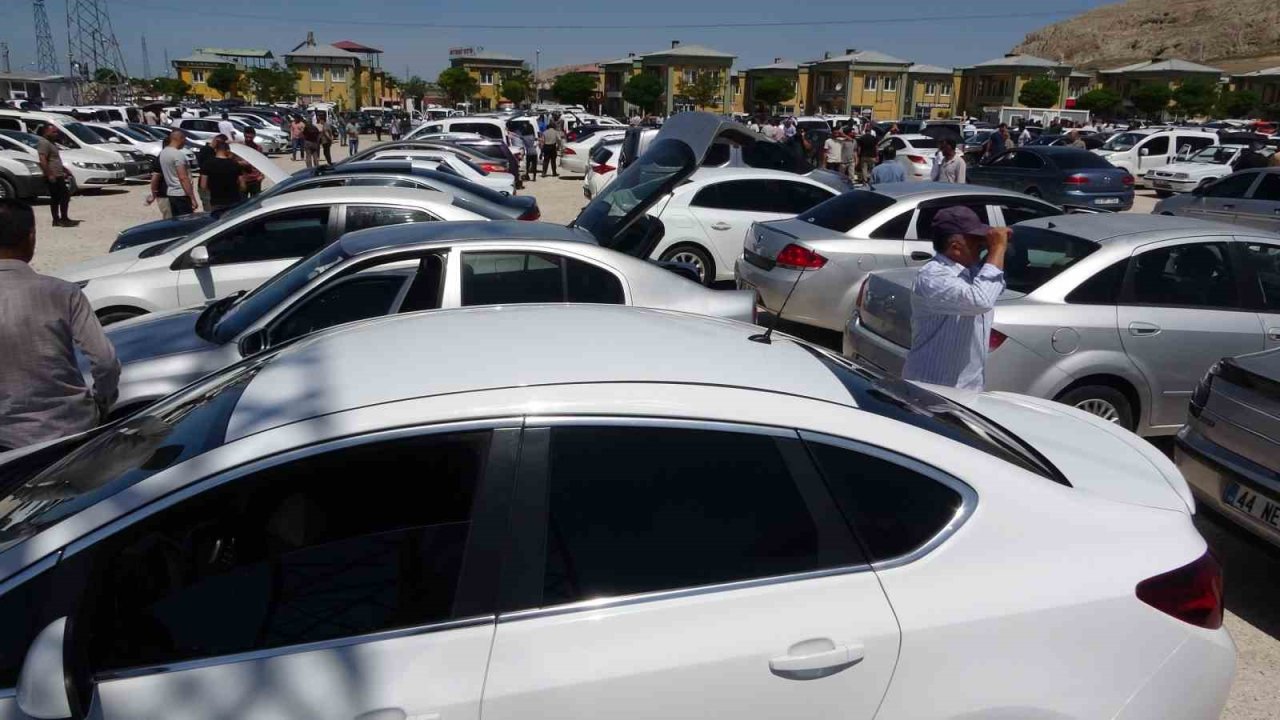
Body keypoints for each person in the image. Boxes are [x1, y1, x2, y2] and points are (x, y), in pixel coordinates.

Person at [0, 199, 120, 452]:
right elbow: (105, 361)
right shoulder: (63, 292)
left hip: (8, 441)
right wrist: (102, 403)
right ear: (31, 237)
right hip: (72, 429)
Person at [902, 206, 1012, 391]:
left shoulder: (972, 272)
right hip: (931, 388)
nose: (981, 245)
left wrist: (998, 246)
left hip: (968, 388)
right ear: (955, 247)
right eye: (976, 242)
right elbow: (980, 301)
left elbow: (995, 286)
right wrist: (997, 248)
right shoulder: (933, 276)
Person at [36, 125, 75, 226]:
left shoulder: (52, 143)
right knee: (59, 197)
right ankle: (58, 219)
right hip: (52, 175)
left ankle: (63, 218)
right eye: (53, 132)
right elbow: (42, 160)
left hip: (58, 174)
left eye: (56, 132)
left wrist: (64, 170)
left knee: (62, 197)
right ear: (46, 132)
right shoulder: (43, 143)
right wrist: (49, 174)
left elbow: (55, 159)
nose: (56, 134)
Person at [198, 135, 245, 214]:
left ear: (216, 150)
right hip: (233, 199)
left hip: (216, 200)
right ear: (227, 150)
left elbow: (203, 185)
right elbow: (243, 185)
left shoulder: (207, 164)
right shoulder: (234, 164)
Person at [159, 129, 199, 216]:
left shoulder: (163, 153)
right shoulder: (177, 154)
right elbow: (183, 177)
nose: (185, 142)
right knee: (186, 222)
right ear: (179, 139)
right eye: (184, 139)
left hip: (171, 193)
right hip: (181, 193)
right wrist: (192, 198)